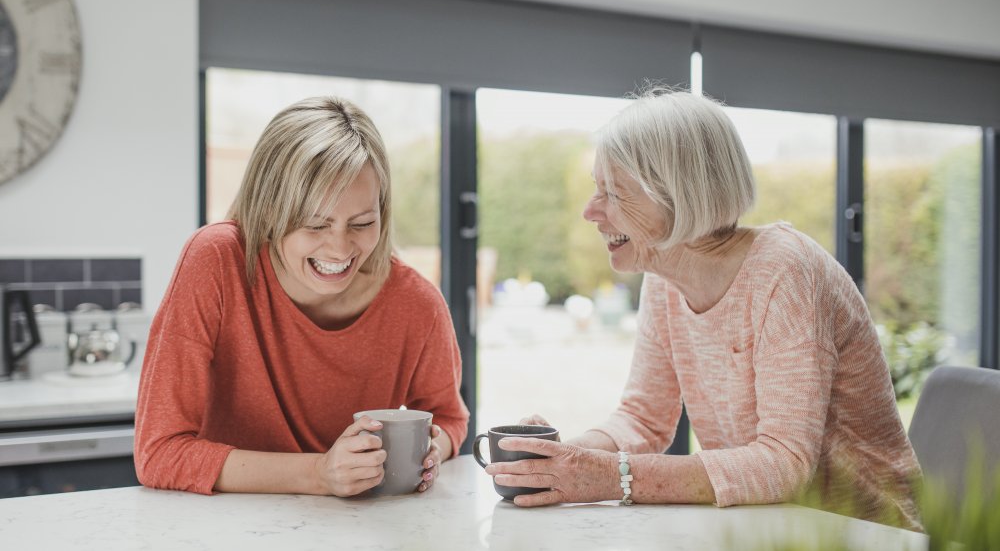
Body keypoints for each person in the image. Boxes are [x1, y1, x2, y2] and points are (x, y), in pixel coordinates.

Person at [484, 88, 922, 531]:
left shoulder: (784, 271)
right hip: (770, 529)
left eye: (613, 192)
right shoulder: (662, 278)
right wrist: (557, 462)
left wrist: (606, 478)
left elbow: (785, 462)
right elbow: (643, 419)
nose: (589, 211)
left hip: (866, 532)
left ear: (678, 193)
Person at [134, 96, 469, 497]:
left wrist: (433, 449)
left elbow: (449, 418)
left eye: (362, 223)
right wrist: (318, 474)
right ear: (268, 211)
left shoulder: (417, 305)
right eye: (315, 224)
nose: (340, 249)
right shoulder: (215, 262)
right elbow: (158, 453)